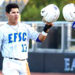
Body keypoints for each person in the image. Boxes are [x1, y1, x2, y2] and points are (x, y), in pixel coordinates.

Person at [0, 3, 53, 75]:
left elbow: (39, 39)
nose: (16, 14)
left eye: (17, 12)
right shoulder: (2, 29)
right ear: (7, 14)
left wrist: (46, 29)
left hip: (23, 62)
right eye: (13, 12)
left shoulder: (25, 27)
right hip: (10, 62)